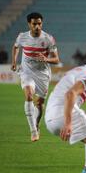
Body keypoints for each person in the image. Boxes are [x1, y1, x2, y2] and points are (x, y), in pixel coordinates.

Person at [11, 12, 60, 142]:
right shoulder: (22, 37)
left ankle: (37, 125)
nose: (37, 26)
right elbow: (16, 47)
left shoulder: (48, 39)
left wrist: (46, 59)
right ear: (29, 24)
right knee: (28, 95)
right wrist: (14, 61)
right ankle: (33, 130)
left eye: (39, 23)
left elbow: (56, 59)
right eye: (34, 24)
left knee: (39, 103)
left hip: (42, 74)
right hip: (26, 72)